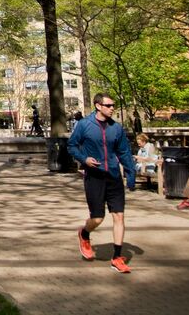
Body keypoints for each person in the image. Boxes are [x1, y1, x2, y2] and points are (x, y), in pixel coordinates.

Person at [67, 93, 136, 274]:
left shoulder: (116, 128)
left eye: (113, 105)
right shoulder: (84, 125)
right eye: (108, 105)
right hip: (94, 177)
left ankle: (117, 258)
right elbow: (72, 146)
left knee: (119, 216)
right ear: (98, 106)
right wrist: (84, 159)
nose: (112, 108)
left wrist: (130, 172)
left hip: (113, 176)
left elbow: (124, 152)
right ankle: (85, 233)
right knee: (97, 218)